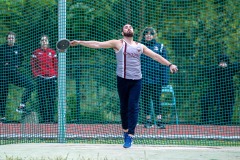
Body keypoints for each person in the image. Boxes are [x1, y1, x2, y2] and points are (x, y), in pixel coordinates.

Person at [70, 24, 178, 148]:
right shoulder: (118, 43)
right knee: (124, 108)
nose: (128, 28)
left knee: (133, 106)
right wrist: (79, 42)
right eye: (125, 27)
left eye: (130, 27)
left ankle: (130, 135)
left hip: (136, 80)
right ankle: (125, 131)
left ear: (133, 31)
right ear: (122, 32)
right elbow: (97, 44)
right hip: (122, 80)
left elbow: (155, 56)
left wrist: (170, 65)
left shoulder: (140, 46)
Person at [0, 32, 35, 123]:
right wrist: (4, 64)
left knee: (30, 85)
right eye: (9, 38)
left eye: (12, 38)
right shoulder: (2, 48)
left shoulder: (18, 48)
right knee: (3, 95)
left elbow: (21, 59)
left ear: (15, 39)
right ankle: (2, 116)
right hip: (3, 75)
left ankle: (21, 106)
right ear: (6, 39)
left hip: (14, 75)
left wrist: (16, 65)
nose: (11, 39)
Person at [140, 27, 169, 129]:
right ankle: (148, 120)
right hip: (143, 79)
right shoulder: (139, 47)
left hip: (157, 79)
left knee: (157, 99)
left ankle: (159, 120)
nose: (148, 35)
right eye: (146, 34)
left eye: (151, 34)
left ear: (154, 36)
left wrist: (164, 79)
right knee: (146, 100)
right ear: (143, 35)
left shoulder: (160, 47)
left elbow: (164, 63)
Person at [200, 54, 239, 125]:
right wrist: (219, 67)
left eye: (224, 62)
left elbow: (237, 66)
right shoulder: (215, 69)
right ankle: (204, 120)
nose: (222, 63)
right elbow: (205, 71)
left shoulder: (231, 68)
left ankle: (227, 122)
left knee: (227, 106)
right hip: (215, 93)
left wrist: (227, 66)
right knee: (204, 100)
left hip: (228, 94)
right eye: (221, 62)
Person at [31, 35, 58, 123]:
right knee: (42, 99)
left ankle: (51, 119)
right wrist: (36, 75)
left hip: (51, 78)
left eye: (45, 40)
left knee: (51, 98)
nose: (44, 42)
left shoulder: (52, 52)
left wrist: (56, 75)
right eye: (42, 40)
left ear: (48, 42)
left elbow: (56, 65)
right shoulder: (36, 52)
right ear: (40, 42)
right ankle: (44, 119)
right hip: (41, 78)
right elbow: (33, 65)